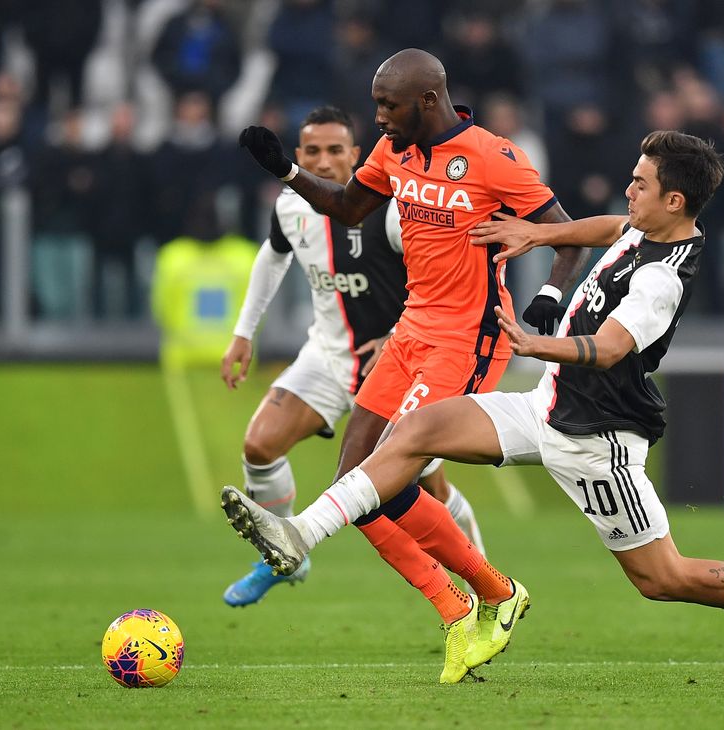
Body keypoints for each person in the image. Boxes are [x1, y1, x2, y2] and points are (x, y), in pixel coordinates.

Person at [221, 130, 724, 682]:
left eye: (639, 183)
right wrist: (540, 232)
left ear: (674, 201)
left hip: (596, 443)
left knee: (663, 579)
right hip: (546, 408)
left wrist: (533, 342)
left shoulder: (661, 279)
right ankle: (298, 534)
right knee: (415, 430)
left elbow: (606, 349)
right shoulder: (645, 228)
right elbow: (608, 228)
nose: (627, 191)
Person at [230, 48, 587, 682]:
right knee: (358, 485)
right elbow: (345, 207)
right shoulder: (395, 150)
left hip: (469, 338)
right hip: (412, 329)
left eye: (388, 106)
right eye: (375, 106)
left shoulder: (491, 156)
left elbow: (565, 230)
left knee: (386, 476)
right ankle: (465, 605)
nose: (379, 117)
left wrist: (553, 293)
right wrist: (285, 169)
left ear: (428, 100)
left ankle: (490, 595)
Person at [220, 105, 486, 606]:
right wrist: (243, 332)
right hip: (327, 355)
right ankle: (281, 557)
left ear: (356, 155)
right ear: (298, 156)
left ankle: (481, 577)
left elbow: (438, 278)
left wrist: (394, 335)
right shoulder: (290, 207)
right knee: (259, 446)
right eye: (313, 151)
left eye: (335, 150)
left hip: (398, 362)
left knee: (429, 493)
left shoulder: (390, 210)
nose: (323, 161)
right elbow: (273, 255)